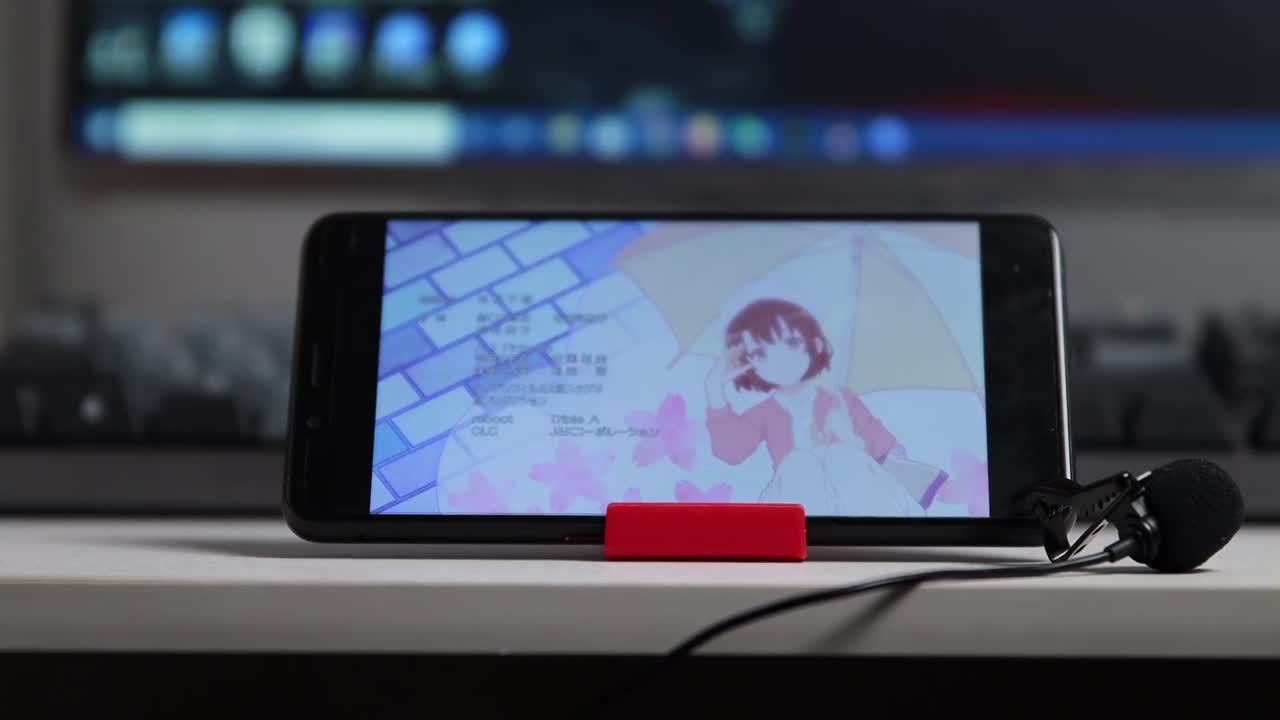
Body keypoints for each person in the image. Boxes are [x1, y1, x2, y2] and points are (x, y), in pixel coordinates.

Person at [705, 298, 947, 516]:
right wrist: (714, 388)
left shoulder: (839, 399)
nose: (779, 360)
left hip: (856, 497)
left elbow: (879, 442)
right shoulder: (765, 413)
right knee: (797, 465)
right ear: (747, 363)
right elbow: (731, 451)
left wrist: (850, 439)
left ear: (817, 345)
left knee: (843, 457)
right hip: (804, 501)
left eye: (791, 343)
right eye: (760, 353)